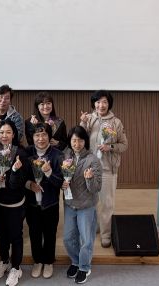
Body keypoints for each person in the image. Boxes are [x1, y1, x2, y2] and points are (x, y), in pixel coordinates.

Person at [80, 90, 128, 248]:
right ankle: (96, 226)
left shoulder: (116, 122)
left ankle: (106, 234)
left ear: (109, 104)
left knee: (107, 203)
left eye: (105, 102)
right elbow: (79, 141)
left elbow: (124, 145)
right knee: (91, 201)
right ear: (94, 103)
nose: (101, 105)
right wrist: (83, 124)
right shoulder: (89, 119)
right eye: (98, 102)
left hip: (107, 169)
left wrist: (110, 147)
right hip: (90, 169)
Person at [61, 126, 103, 285]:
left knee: (86, 239)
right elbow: (61, 178)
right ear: (70, 141)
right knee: (68, 238)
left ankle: (84, 267)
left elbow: (96, 188)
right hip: (70, 204)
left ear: (85, 141)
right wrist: (62, 184)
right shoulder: (66, 156)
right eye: (74, 140)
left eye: (80, 140)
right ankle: (76, 261)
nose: (77, 144)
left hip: (86, 206)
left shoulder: (93, 160)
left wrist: (89, 178)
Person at [0, 120, 29, 286]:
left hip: (15, 203)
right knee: (1, 234)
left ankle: (16, 267)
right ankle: (4, 260)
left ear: (14, 134)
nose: (4, 136)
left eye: (8, 132)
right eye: (1, 132)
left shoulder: (20, 153)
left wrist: (12, 171)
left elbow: (19, 183)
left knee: (15, 236)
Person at [24, 122, 63, 279]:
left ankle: (48, 261)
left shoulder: (57, 155)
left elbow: (60, 182)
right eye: (37, 135)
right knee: (34, 233)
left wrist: (48, 172)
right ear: (32, 137)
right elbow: (21, 177)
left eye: (44, 135)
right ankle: (38, 261)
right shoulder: (27, 153)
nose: (41, 138)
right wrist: (29, 184)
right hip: (32, 203)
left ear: (49, 136)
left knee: (50, 233)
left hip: (50, 203)